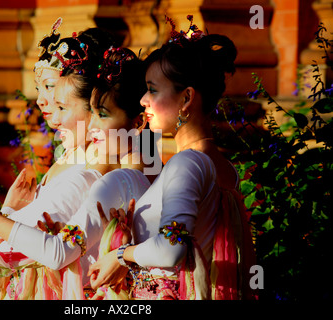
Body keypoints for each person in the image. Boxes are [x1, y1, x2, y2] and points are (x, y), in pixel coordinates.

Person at [0, 47, 157, 299]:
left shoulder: (107, 179)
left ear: (138, 123)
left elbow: (57, 253)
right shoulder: (133, 175)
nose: (92, 124)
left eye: (102, 114)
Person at [88, 17, 258, 300]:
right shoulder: (223, 167)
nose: (143, 99)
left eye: (153, 90)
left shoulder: (186, 163)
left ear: (186, 97)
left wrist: (121, 255)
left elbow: (171, 249)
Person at [0, 19, 116, 299]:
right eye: (41, 89)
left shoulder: (93, 167)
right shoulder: (71, 154)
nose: (43, 101)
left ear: (92, 101)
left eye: (54, 92)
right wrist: (5, 217)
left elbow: (50, 249)